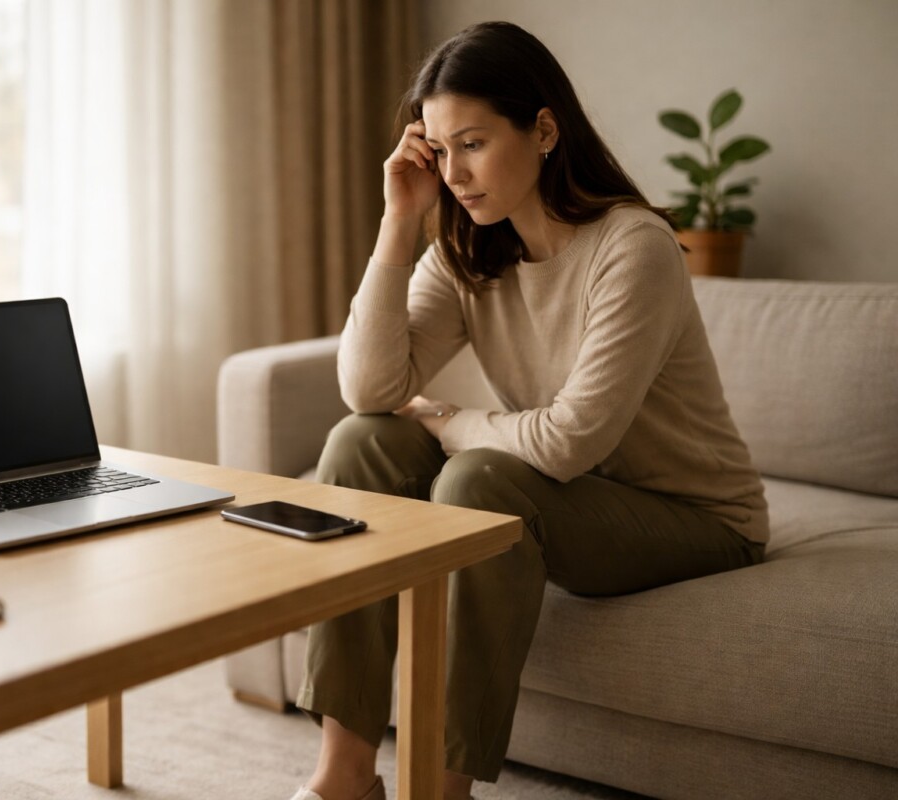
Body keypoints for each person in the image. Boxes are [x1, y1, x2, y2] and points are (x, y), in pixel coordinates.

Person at [288, 21, 769, 800]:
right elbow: (370, 391)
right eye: (440, 152)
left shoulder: (633, 246)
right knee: (360, 445)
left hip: (695, 517)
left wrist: (447, 421)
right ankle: (342, 777)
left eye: (473, 144)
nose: (456, 174)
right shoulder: (468, 252)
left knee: (478, 485)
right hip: (572, 495)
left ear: (544, 129)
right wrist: (398, 221)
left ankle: (441, 793)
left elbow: (569, 442)